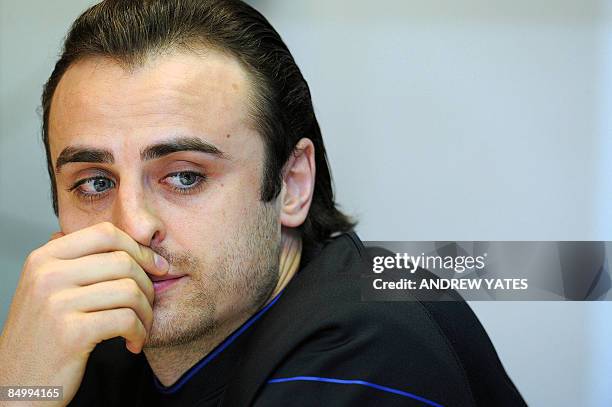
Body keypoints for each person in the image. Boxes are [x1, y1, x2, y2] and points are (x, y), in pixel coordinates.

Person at [0, 1, 526, 405]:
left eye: (184, 176)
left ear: (293, 184)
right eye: (94, 183)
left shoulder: (366, 351)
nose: (132, 225)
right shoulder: (98, 335)